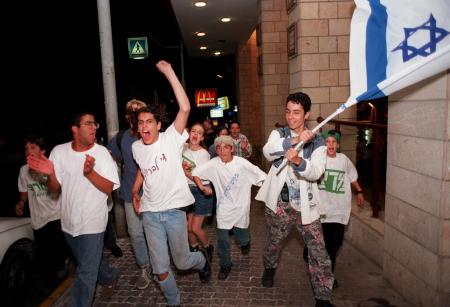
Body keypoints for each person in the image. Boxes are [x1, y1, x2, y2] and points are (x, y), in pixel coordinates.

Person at [131, 60, 210, 307]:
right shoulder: (135, 148)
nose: (144, 126)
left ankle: (202, 260)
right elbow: (144, 171)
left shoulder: (170, 139)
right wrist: (135, 190)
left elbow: (185, 107)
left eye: (149, 122)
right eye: (140, 122)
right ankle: (174, 301)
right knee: (160, 269)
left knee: (182, 262)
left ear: (158, 125)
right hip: (150, 214)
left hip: (175, 212)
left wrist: (169, 72)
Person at [28, 111, 120, 307]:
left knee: (85, 272)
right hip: (69, 222)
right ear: (75, 129)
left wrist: (90, 173)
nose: (94, 127)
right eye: (88, 123)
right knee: (90, 262)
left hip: (93, 222)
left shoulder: (101, 153)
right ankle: (109, 275)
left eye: (95, 124)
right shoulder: (59, 152)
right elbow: (54, 189)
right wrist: (51, 174)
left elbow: (109, 187)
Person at [255, 92, 335, 307]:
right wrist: (296, 139)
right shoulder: (279, 133)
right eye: (288, 111)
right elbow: (268, 152)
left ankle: (323, 298)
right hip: (280, 203)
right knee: (273, 242)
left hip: (306, 206)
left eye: (297, 113)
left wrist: (299, 160)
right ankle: (269, 268)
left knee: (318, 251)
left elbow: (316, 172)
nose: (291, 117)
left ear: (306, 114)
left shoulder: (318, 142)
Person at [192, 135, 267, 280]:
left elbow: (260, 175)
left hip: (240, 207)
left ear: (232, 148)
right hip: (223, 208)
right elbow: (196, 173)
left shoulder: (242, 164)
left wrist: (263, 187)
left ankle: (246, 242)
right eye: (218, 148)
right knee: (222, 239)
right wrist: (201, 187)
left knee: (241, 239)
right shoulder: (214, 164)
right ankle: (225, 265)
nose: (222, 151)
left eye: (225, 147)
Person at [304, 130, 365, 288]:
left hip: (338, 211)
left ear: (338, 145)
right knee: (322, 245)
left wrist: (359, 191)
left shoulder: (343, 160)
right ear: (323, 145)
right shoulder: (318, 160)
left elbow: (353, 176)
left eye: (333, 142)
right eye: (327, 142)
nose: (330, 145)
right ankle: (326, 276)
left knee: (335, 244)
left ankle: (324, 270)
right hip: (321, 211)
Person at [108, 98, 153, 289]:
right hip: (129, 193)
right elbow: (112, 158)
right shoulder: (120, 138)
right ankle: (145, 267)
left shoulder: (152, 134)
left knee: (154, 232)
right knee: (135, 233)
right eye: (132, 112)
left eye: (139, 111)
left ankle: (160, 265)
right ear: (127, 116)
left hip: (154, 193)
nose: (136, 116)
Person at [15, 135, 70, 285]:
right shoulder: (23, 171)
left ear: (43, 150)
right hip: (38, 219)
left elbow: (60, 188)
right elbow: (24, 191)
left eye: (33, 147)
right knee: (43, 256)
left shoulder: (52, 167)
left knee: (56, 251)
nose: (29, 151)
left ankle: (61, 269)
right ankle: (50, 280)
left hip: (56, 215)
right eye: (26, 149)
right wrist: (21, 202)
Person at [182, 122, 214, 259]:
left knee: (195, 227)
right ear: (189, 134)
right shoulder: (183, 149)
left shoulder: (204, 154)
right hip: (188, 190)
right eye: (193, 131)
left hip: (202, 192)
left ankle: (208, 247)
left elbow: (197, 176)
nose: (195, 134)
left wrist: (183, 170)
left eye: (199, 133)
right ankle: (195, 249)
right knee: (188, 228)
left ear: (202, 138)